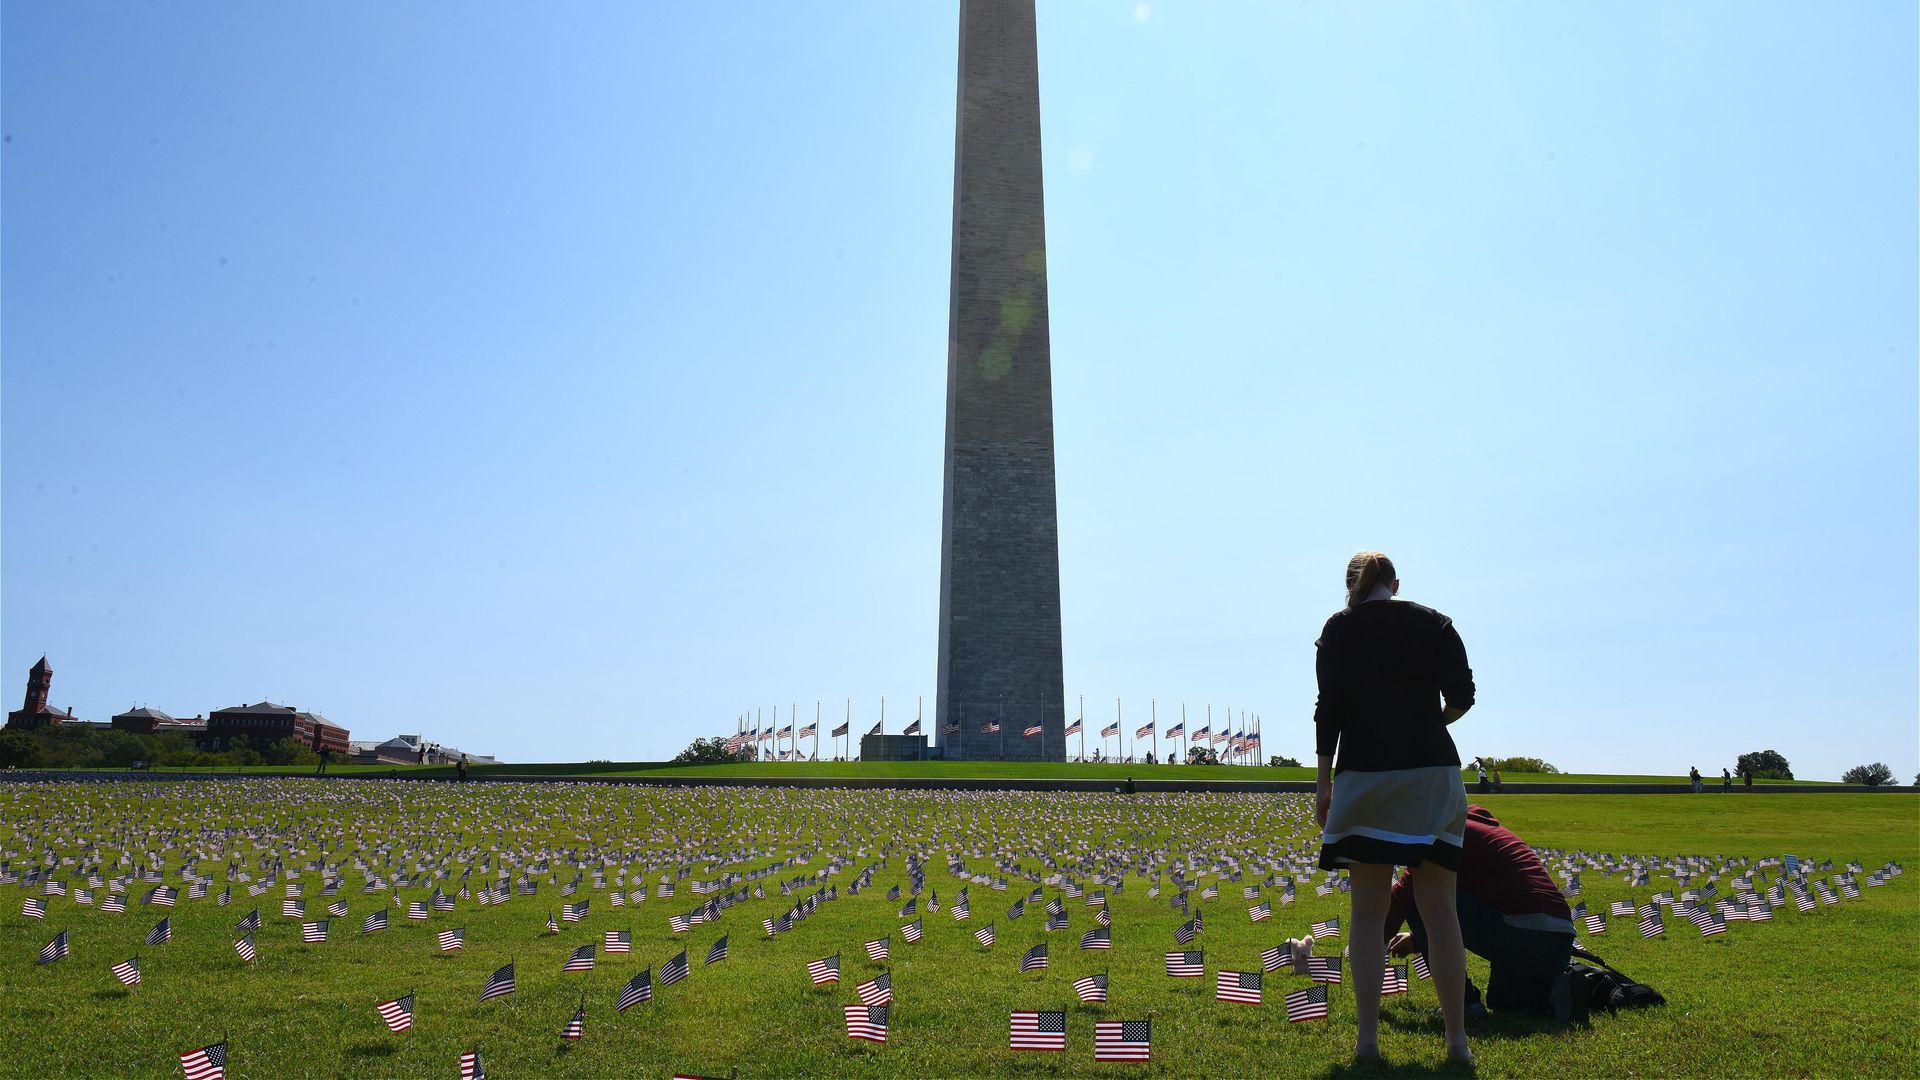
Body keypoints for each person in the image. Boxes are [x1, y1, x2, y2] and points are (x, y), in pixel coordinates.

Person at [1315, 551, 1476, 1064]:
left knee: (1367, 912)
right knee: (1441, 911)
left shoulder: (1338, 629)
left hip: (1365, 776)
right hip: (1433, 774)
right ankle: (1457, 1043)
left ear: (1353, 587)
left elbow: (1329, 712)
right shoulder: (1435, 622)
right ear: (1395, 583)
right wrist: (1429, 725)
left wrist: (1323, 783)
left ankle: (1367, 1042)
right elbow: (1463, 696)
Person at [1385, 805, 1575, 1018]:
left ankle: (1463, 1005)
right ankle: (1561, 989)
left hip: (1527, 934)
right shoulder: (1475, 826)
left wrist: (1368, 945)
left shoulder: (1443, 833)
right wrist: (1418, 938)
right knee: (1504, 1004)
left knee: (1422, 897)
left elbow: (1405, 897)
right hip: (1557, 938)